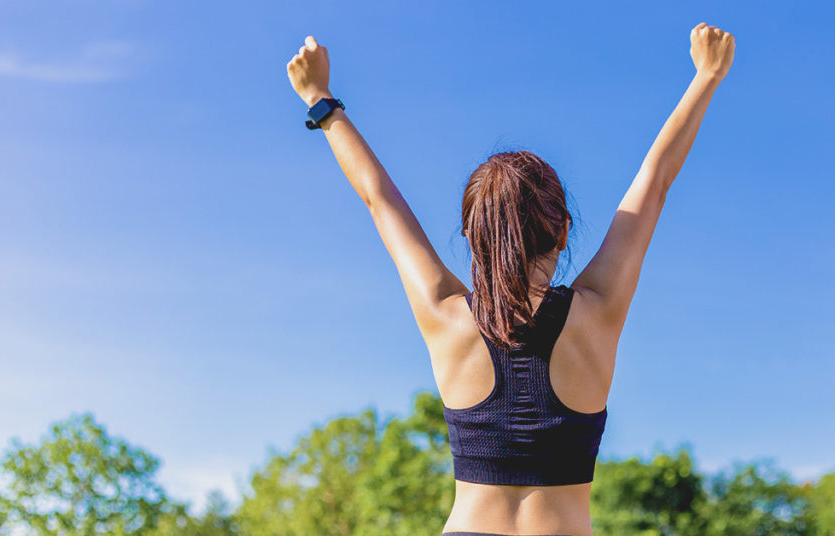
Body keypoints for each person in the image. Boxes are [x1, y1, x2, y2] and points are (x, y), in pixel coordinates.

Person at [287, 21, 735, 536]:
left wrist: (320, 98)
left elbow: (378, 197)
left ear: (473, 237)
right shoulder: (599, 308)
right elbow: (654, 184)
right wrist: (708, 74)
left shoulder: (444, 314)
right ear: (563, 231)